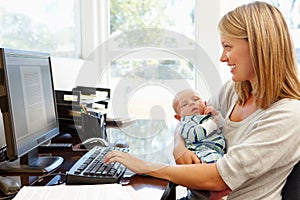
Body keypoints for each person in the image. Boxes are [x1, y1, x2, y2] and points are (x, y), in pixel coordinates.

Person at [104, 2, 300, 199]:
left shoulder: (288, 114)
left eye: (228, 46)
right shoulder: (232, 91)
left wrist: (145, 167)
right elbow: (188, 119)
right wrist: (179, 148)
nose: (223, 57)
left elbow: (217, 179)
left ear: (258, 47)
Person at [172, 89, 225, 164]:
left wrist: (216, 114)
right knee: (215, 161)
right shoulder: (186, 122)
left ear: (205, 104)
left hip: (218, 151)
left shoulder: (208, 115)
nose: (191, 103)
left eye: (196, 99)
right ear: (178, 117)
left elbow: (224, 127)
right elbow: (193, 135)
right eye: (184, 104)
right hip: (201, 151)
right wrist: (211, 124)